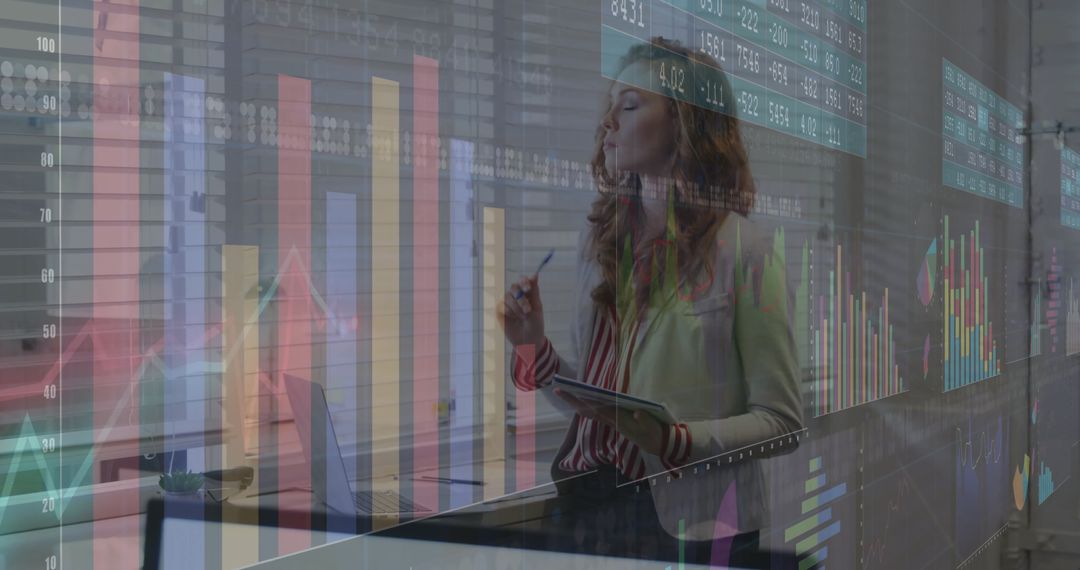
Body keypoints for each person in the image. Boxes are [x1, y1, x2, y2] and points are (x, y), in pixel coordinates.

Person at [496, 36, 803, 567]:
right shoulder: (599, 244)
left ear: (686, 123)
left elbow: (781, 421)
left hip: (699, 530)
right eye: (608, 106)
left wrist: (674, 440)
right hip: (590, 510)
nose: (607, 123)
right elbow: (596, 403)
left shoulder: (747, 252)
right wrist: (532, 350)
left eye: (630, 105)